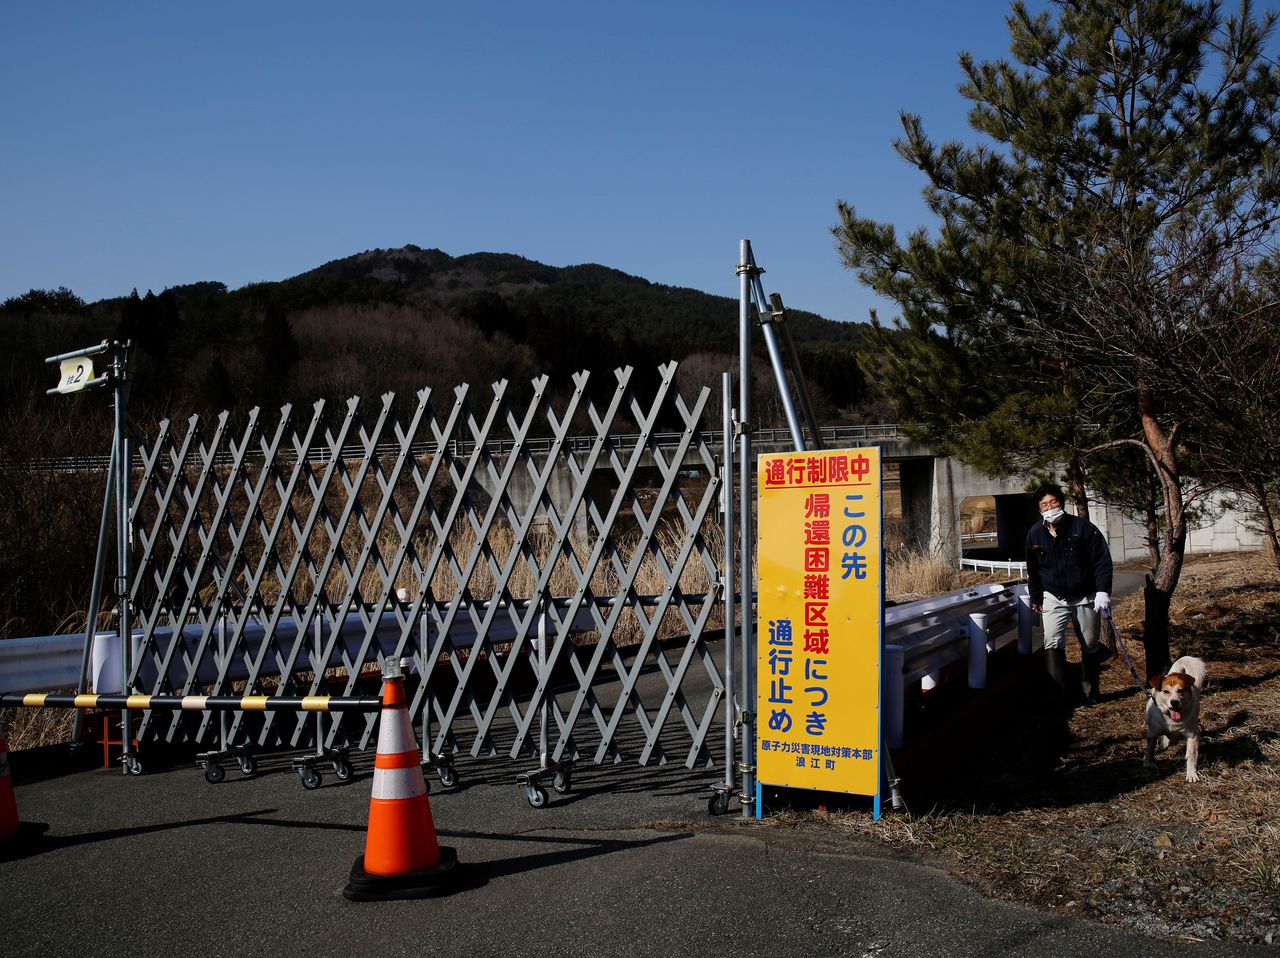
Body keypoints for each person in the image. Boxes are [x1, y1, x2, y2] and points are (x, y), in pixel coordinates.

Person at [1025, 483, 1114, 705]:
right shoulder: (1035, 534)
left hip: (1084, 596)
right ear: (1039, 509)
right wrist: (1036, 596)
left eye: (1053, 502)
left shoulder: (1083, 528)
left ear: (1062, 503)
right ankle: (1060, 694)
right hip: (1053, 597)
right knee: (1052, 641)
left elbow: (1101, 561)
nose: (1049, 507)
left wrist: (1102, 591)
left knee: (1090, 643)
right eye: (1044, 504)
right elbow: (1033, 568)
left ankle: (1090, 689)